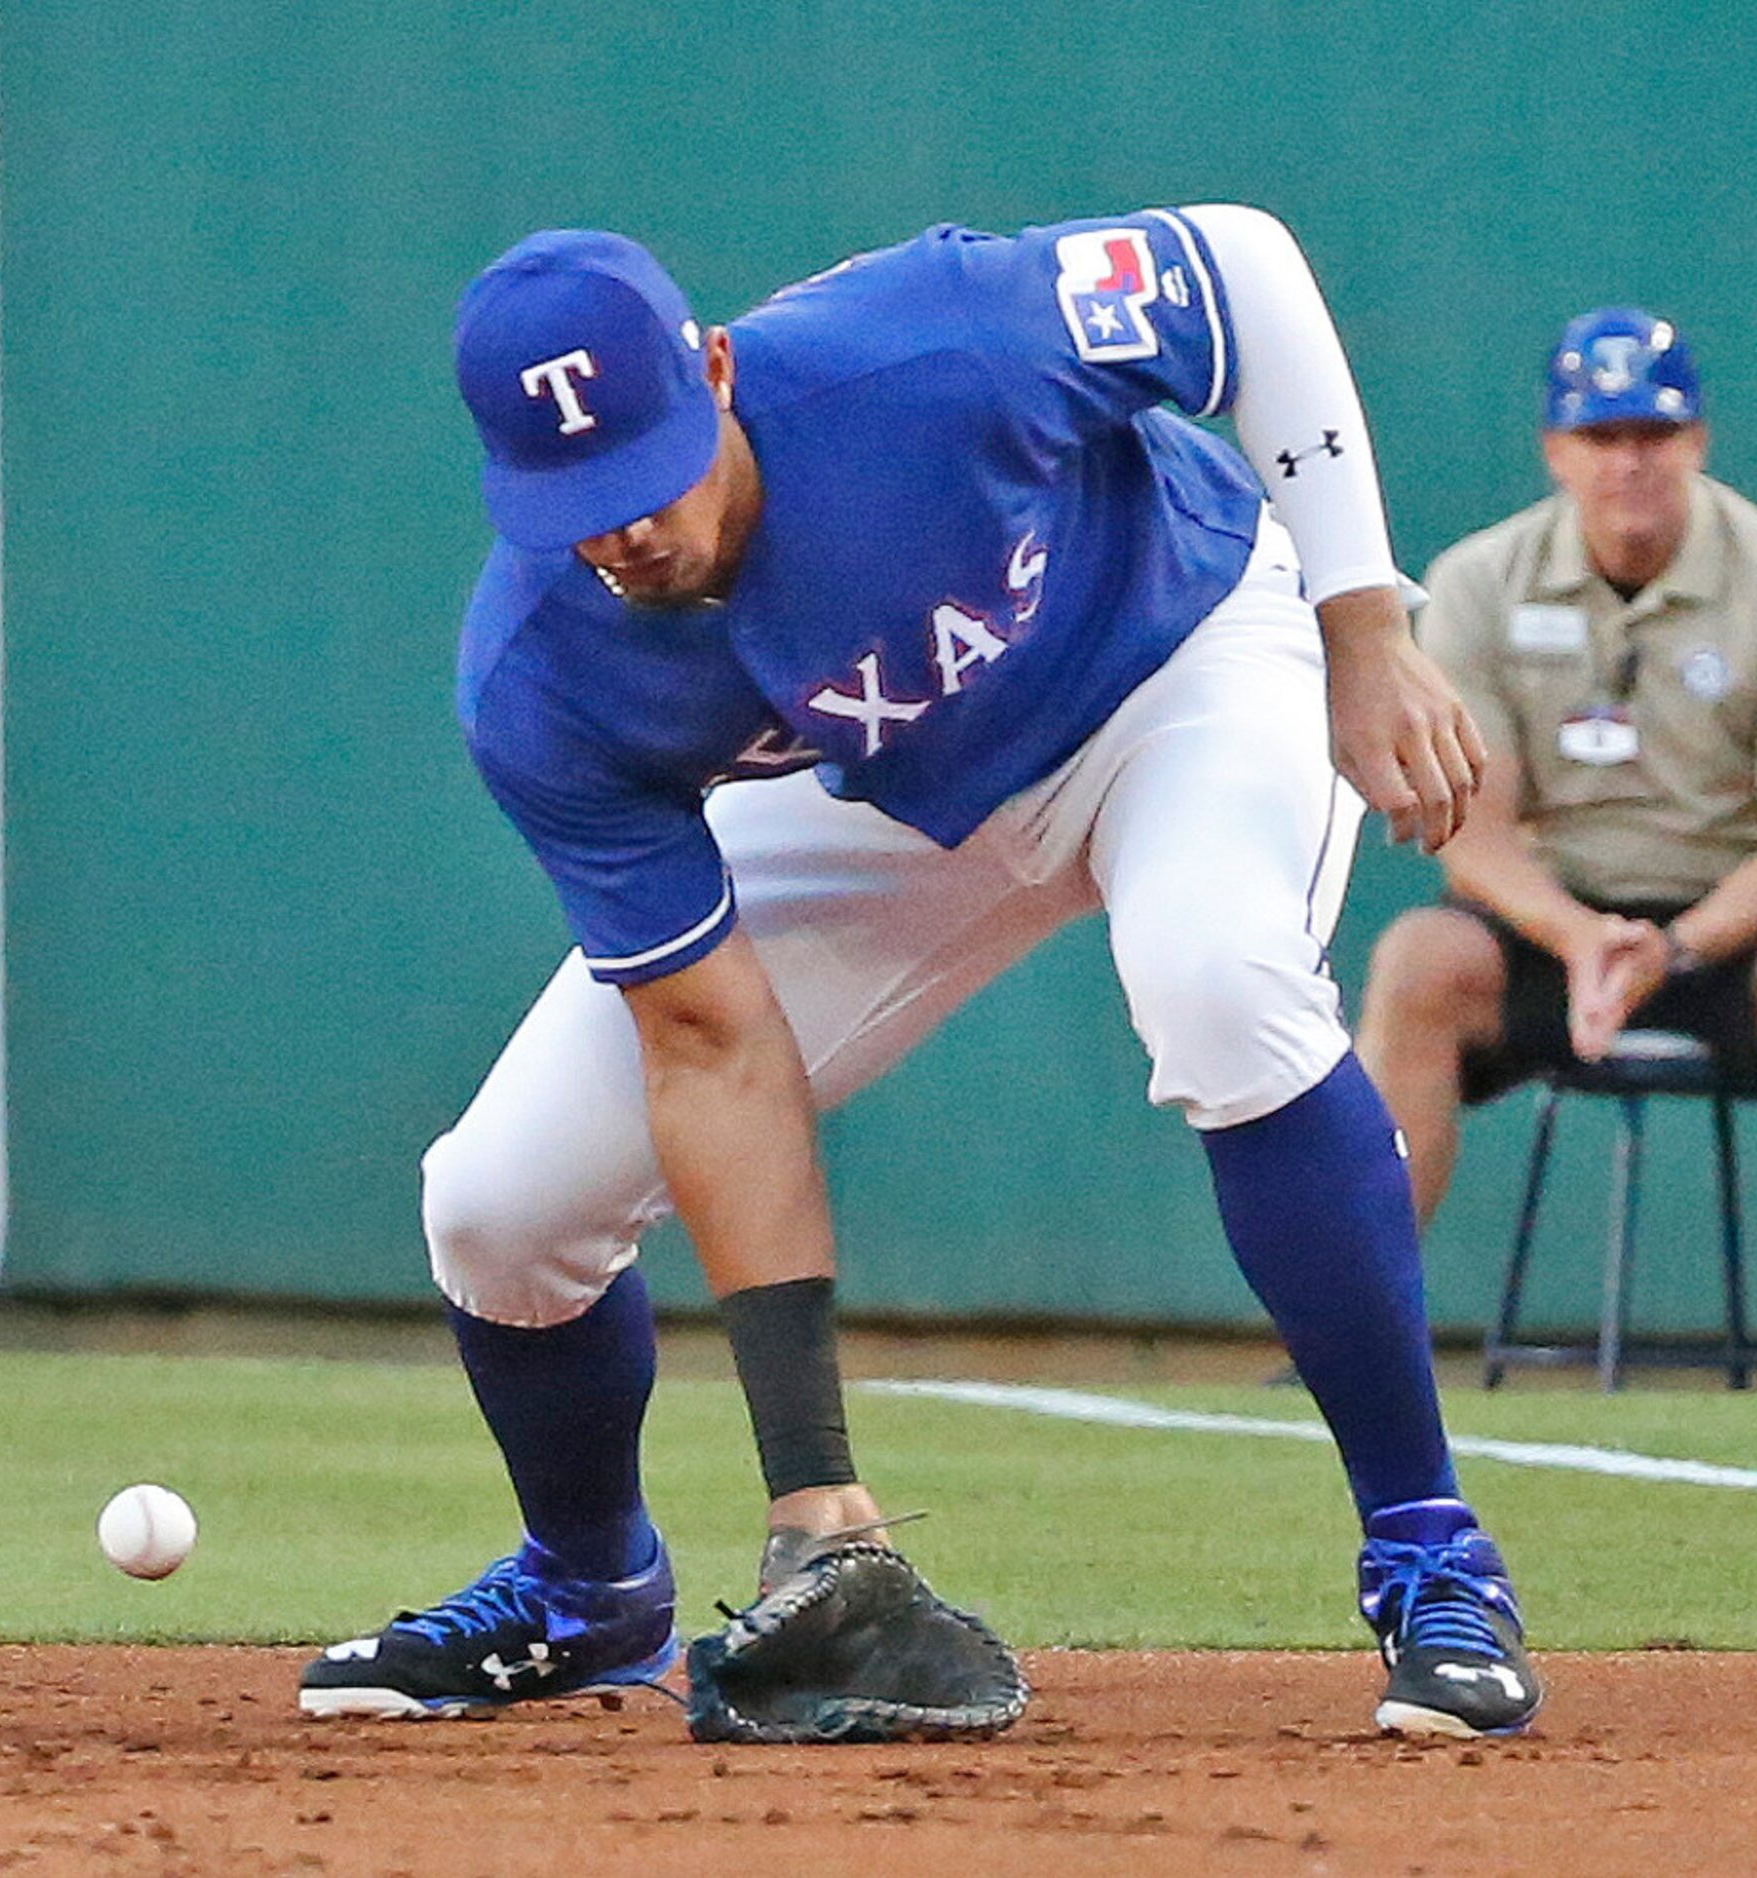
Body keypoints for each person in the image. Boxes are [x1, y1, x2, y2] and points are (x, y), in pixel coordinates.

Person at [298, 206, 1542, 1737]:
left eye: (642, 470)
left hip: (1177, 663)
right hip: (883, 789)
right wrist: (811, 1482)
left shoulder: (931, 343)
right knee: (499, 1202)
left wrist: (1363, 617)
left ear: (714, 369)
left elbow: (1247, 269)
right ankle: (587, 1585)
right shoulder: (542, 673)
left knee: (1215, 979)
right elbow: (709, 1045)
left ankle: (1430, 1551)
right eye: (573, 499)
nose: (622, 528)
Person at [1358, 307, 1757, 1392]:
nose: (1630, 465)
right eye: (1601, 437)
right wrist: (1579, 938)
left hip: (1735, 924)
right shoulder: (1479, 583)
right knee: (1418, 965)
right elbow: (1471, 838)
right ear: (1555, 449)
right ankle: (1358, 1331)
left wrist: (1677, 947)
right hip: (1550, 921)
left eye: (1653, 436)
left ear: (1698, 441)